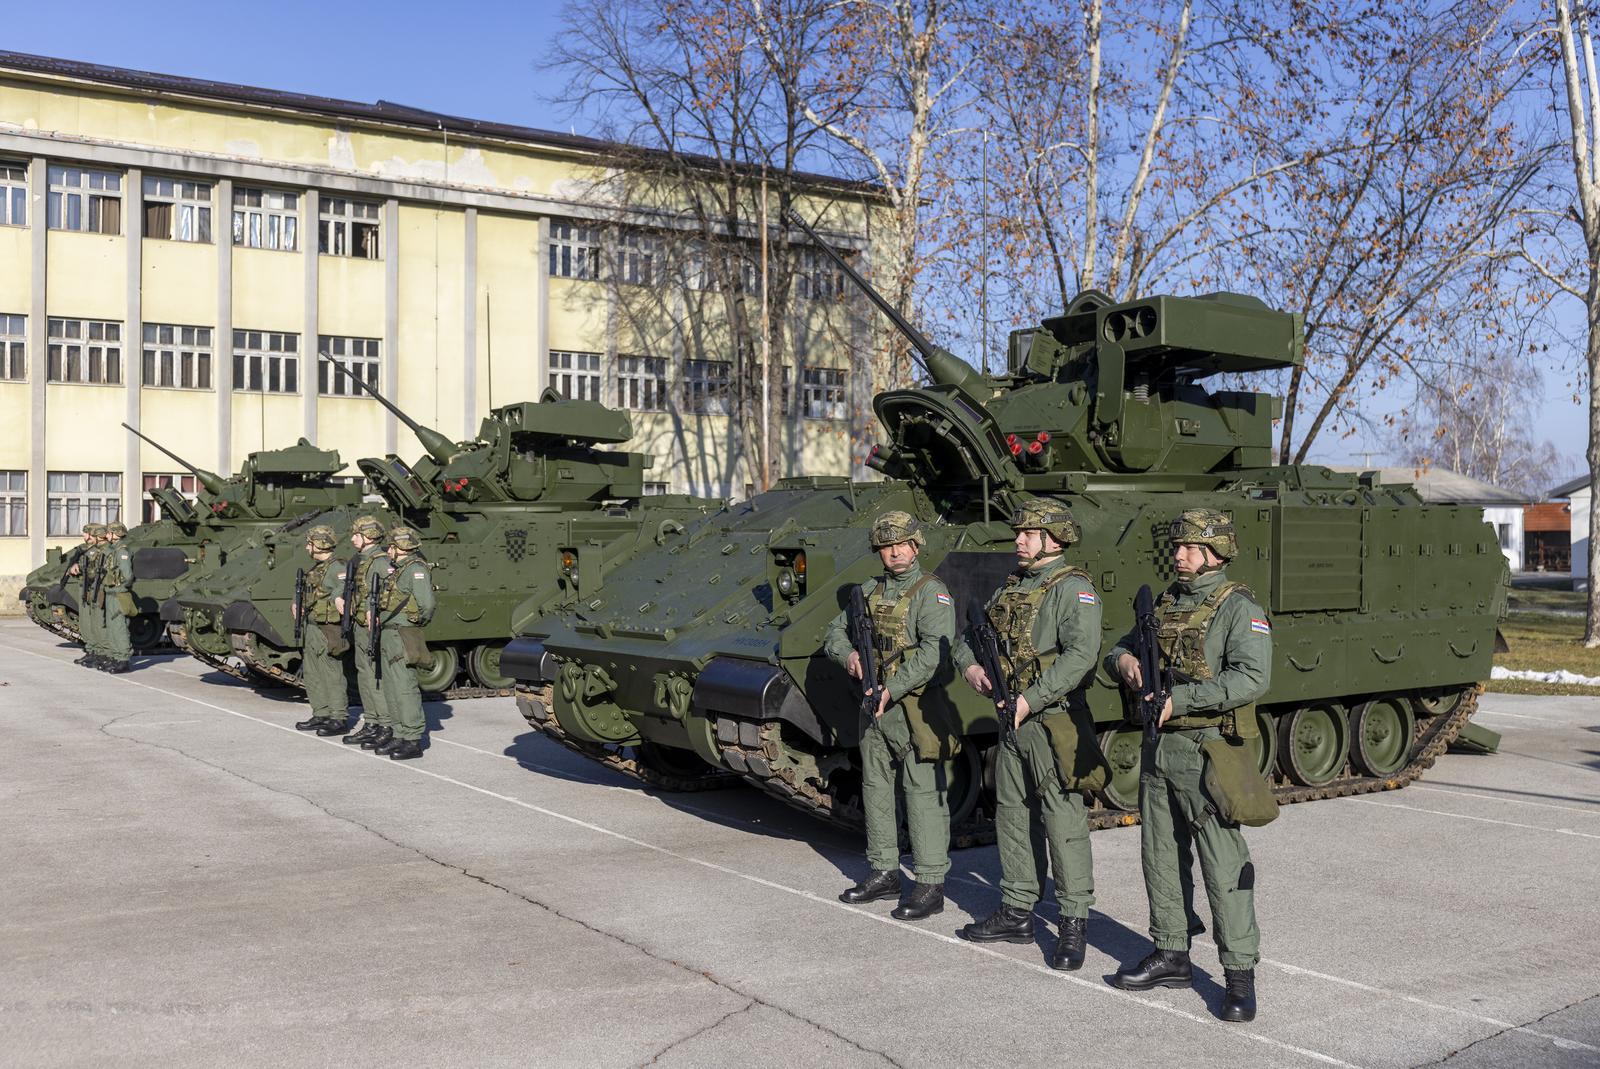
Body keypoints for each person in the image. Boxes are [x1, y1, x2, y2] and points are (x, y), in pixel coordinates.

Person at [1105, 508, 1270, 1023]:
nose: (1179, 555)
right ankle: (1172, 953)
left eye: (1190, 548)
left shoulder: (1238, 608)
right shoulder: (1167, 601)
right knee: (1159, 857)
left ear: (1217, 553)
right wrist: (1124, 662)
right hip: (1159, 751)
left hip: (1207, 751)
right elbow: (1119, 649)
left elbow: (1252, 678)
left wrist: (1186, 698)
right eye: (1177, 547)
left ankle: (1239, 976)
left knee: (1223, 866)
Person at [954, 497, 1107, 969]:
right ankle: (1018, 910)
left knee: (1063, 824)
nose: (1017, 540)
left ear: (1054, 539)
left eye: (1028, 533)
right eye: (1018, 533)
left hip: (1052, 720)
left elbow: (1080, 658)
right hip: (1011, 717)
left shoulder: (1073, 589)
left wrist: (1030, 700)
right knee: (1012, 817)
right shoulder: (1013, 586)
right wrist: (972, 669)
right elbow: (967, 640)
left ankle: (1073, 923)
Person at [822, 510, 957, 921]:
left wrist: (892, 689)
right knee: (876, 789)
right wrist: (848, 656)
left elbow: (936, 653)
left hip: (914, 708)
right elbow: (834, 631)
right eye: (886, 546)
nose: (894, 552)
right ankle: (884, 871)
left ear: (916, 546)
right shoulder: (869, 590)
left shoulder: (931, 593)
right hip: (873, 706)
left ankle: (930, 883)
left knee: (921, 795)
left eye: (901, 544)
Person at [372, 525, 436, 761]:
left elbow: (427, 605)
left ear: (401, 548)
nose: (388, 550)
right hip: (390, 633)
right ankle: (399, 732)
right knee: (392, 687)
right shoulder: (399, 571)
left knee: (404, 687)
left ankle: (412, 738)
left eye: (391, 546)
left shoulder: (415, 570)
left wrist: (414, 622)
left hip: (403, 633)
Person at [336, 515, 392, 751]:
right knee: (365, 674)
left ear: (368, 536)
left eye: (356, 535)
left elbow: (389, 592)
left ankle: (385, 725)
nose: (352, 539)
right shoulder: (359, 560)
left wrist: (377, 613)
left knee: (375, 675)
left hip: (373, 626)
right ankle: (372, 721)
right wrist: (337, 597)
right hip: (359, 624)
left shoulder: (380, 561)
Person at [293, 524, 353, 736]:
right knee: (312, 672)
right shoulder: (316, 568)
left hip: (328, 628)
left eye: (310, 543)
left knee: (331, 673)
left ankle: (338, 717)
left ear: (319, 544)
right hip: (311, 626)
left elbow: (344, 589)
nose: (307, 548)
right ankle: (321, 712)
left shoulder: (337, 568)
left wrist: (337, 596)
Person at [99, 521, 135, 673]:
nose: (106, 535)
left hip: (119, 594)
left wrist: (116, 584)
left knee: (119, 628)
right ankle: (115, 656)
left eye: (108, 532)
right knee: (112, 628)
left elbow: (127, 576)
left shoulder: (122, 551)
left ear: (116, 534)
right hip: (110, 594)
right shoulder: (113, 550)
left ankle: (123, 659)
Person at [68, 523, 104, 668]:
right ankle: (91, 650)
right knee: (86, 624)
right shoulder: (85, 550)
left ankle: (99, 652)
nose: (83, 536)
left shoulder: (100, 551)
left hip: (95, 590)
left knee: (96, 624)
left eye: (86, 533)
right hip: (86, 590)